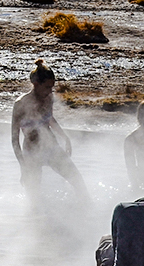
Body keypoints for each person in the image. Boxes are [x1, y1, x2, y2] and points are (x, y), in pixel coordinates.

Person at [10, 60, 89, 201]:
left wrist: (65, 137)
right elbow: (14, 139)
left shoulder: (48, 98)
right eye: (47, 87)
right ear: (36, 84)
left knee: (79, 183)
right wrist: (23, 166)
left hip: (51, 147)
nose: (50, 91)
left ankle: (86, 212)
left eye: (52, 87)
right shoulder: (21, 104)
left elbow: (49, 119)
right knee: (33, 198)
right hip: (31, 152)